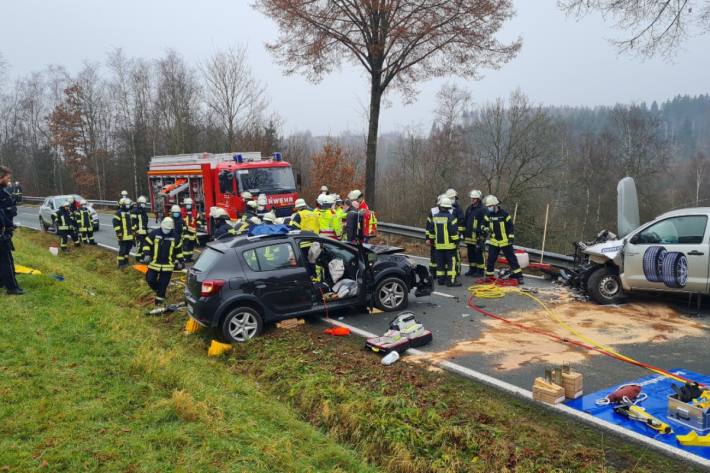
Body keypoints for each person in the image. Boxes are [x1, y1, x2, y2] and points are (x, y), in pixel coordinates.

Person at [143, 217, 183, 306]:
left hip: (167, 267)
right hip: (154, 264)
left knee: (163, 285)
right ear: (161, 226)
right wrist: (147, 254)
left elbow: (179, 251)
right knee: (150, 280)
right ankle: (158, 290)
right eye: (165, 229)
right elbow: (146, 243)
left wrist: (181, 262)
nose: (166, 231)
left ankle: (159, 305)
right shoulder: (154, 233)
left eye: (168, 229)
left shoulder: (176, 237)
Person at [483, 195, 523, 283]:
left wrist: (511, 238)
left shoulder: (504, 214)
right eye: (488, 206)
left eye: (490, 206)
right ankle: (489, 276)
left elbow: (510, 227)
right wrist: (485, 229)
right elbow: (483, 225)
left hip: (505, 242)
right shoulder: (488, 215)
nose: (489, 208)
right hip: (494, 242)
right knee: (491, 259)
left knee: (512, 259)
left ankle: (519, 277)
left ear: (495, 205)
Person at [426, 196, 461, 287]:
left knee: (440, 263)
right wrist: (457, 242)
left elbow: (431, 232)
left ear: (440, 206)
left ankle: (441, 280)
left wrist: (432, 241)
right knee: (451, 263)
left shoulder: (435, 217)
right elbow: (453, 233)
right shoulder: (451, 218)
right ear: (449, 207)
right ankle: (451, 281)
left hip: (438, 246)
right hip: (450, 247)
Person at [0, 166, 22, 295]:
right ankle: (12, 288)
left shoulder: (4, 191)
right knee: (5, 259)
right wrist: (8, 226)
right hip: (2, 230)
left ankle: (4, 282)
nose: (9, 181)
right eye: (7, 178)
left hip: (5, 227)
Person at [463, 190, 486, 277]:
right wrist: (463, 232)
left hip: (478, 237)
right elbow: (465, 221)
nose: (472, 200)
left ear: (478, 199)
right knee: (471, 254)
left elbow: (485, 223)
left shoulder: (483, 209)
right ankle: (472, 269)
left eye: (474, 199)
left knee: (478, 254)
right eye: (472, 198)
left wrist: (482, 235)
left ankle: (480, 271)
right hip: (469, 236)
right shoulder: (469, 208)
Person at [113, 197, 136, 268]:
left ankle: (126, 261)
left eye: (128, 205)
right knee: (122, 250)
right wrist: (119, 234)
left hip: (130, 236)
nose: (128, 206)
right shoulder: (118, 213)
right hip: (123, 236)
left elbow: (132, 224)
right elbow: (116, 225)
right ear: (123, 205)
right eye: (126, 205)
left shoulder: (129, 212)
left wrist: (134, 233)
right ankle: (120, 264)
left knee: (127, 250)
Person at [181, 197, 202, 262]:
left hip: (192, 231)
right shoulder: (181, 211)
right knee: (185, 245)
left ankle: (189, 258)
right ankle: (185, 258)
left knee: (191, 245)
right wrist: (182, 226)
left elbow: (199, 219)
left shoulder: (195, 212)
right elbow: (178, 220)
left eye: (190, 204)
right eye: (187, 204)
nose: (188, 205)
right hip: (185, 231)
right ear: (185, 205)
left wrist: (198, 225)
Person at [133, 196, 150, 260]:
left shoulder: (143, 211)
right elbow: (133, 222)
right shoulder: (135, 211)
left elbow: (145, 221)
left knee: (145, 244)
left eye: (144, 204)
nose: (143, 205)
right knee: (140, 245)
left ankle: (142, 257)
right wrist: (135, 230)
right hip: (139, 231)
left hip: (144, 231)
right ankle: (138, 257)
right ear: (139, 203)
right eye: (142, 203)